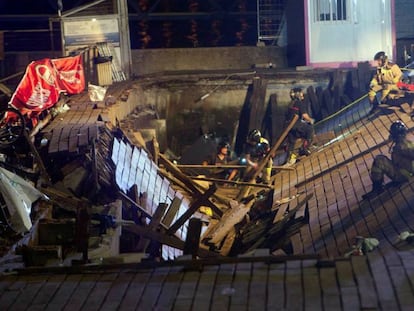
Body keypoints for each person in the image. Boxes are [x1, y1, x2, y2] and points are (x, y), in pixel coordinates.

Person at [363, 120, 414, 198]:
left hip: (403, 175)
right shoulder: (408, 143)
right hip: (406, 172)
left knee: (379, 160)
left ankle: (377, 189)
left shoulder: (401, 146)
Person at [284, 87, 315, 165]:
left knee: (291, 142)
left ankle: (289, 158)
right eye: (301, 93)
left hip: (288, 127)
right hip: (296, 124)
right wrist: (311, 120)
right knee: (309, 129)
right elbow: (304, 115)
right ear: (297, 94)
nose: (302, 94)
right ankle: (305, 148)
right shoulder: (299, 103)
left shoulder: (290, 104)